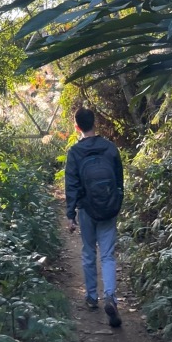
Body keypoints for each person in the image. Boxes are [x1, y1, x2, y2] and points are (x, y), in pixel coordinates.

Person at [65, 105, 123, 328]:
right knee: (107, 255)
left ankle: (91, 297)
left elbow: (72, 185)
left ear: (77, 126)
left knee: (89, 252)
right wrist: (116, 203)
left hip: (87, 209)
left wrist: (71, 215)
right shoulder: (110, 148)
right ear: (95, 123)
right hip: (108, 208)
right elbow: (119, 181)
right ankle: (110, 296)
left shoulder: (75, 152)